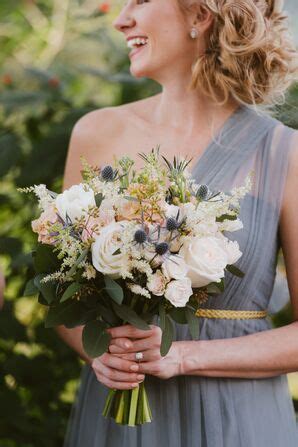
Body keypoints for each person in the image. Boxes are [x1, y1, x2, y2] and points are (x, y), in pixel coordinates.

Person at [57, 0, 298, 445]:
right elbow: (62, 296)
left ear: (199, 15)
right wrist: (100, 354)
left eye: (141, 1)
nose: (121, 18)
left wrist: (183, 355)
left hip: (239, 420)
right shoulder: (95, 133)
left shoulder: (286, 153)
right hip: (119, 417)